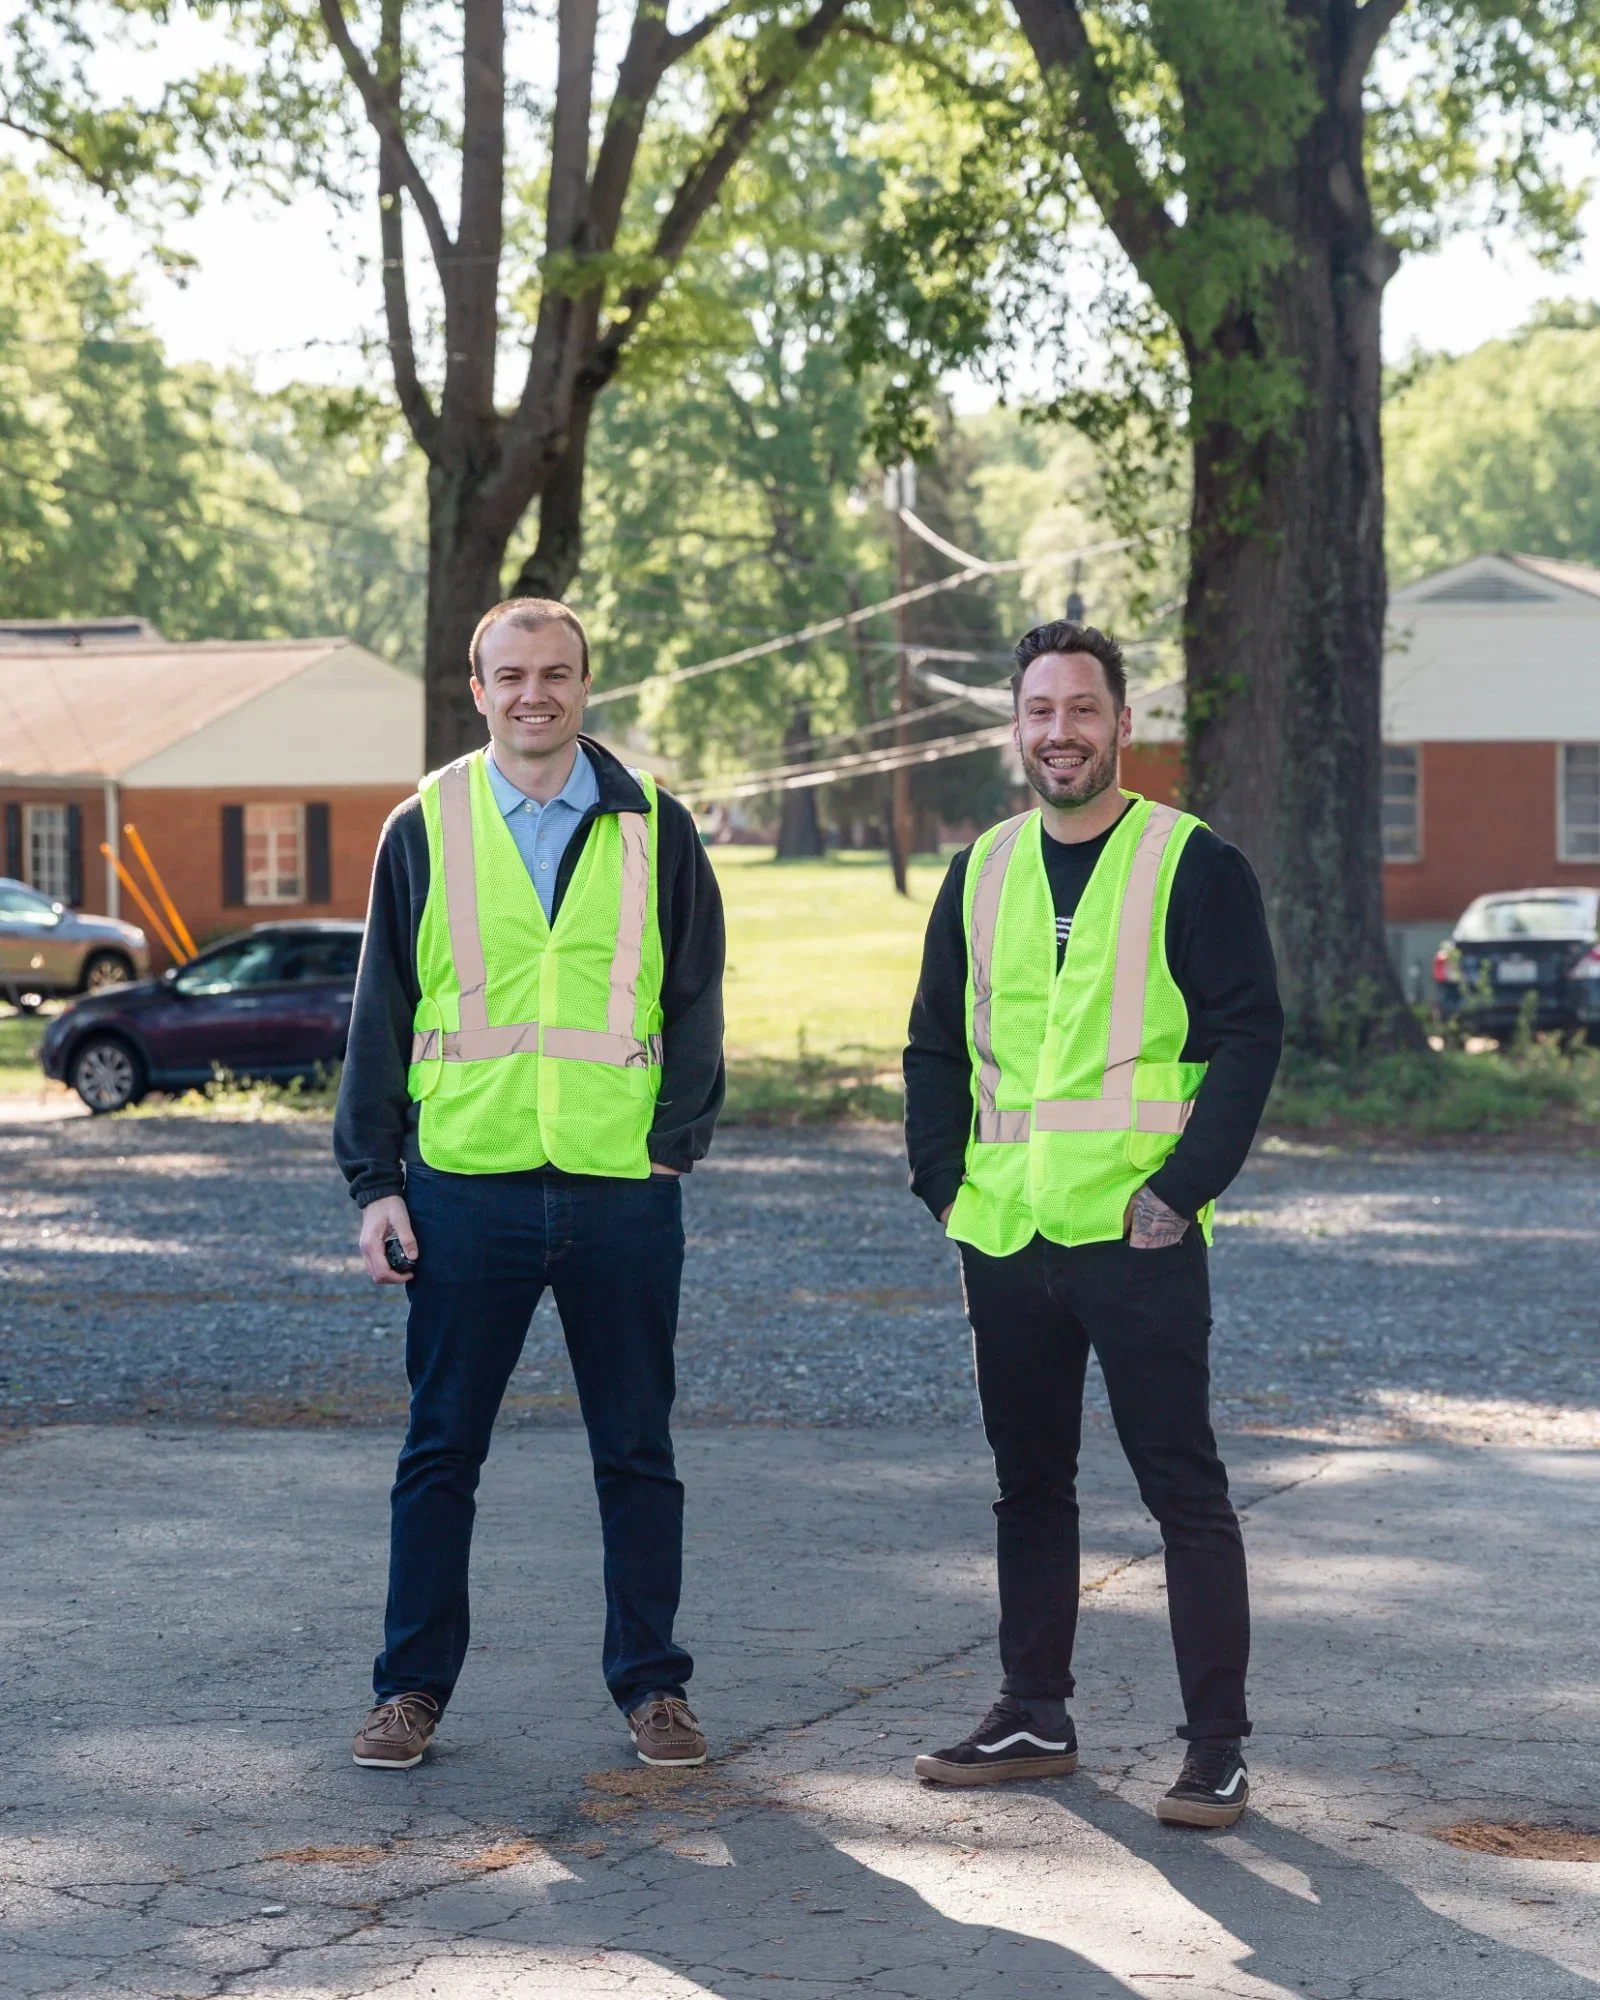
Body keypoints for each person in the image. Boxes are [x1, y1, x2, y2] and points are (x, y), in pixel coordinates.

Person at [334, 597, 725, 1774]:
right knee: (440, 1448)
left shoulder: (658, 824)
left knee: (636, 1450)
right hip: (465, 1187)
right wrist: (376, 1180)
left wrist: (675, 1141)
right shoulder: (424, 825)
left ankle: (653, 1687)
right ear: (478, 687)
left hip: (621, 1192)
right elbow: (380, 1012)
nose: (534, 693)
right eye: (511, 674)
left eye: (555, 673)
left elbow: (697, 995)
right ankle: (409, 1689)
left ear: (585, 684)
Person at [902, 619, 1283, 1828]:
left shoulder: (1192, 862)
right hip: (1006, 1236)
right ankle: (1032, 1709)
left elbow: (1246, 1038)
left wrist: (1183, 1186)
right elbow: (930, 1041)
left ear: (1122, 722)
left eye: (1081, 708)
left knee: (1183, 1487)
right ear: (1014, 725)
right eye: (1038, 709)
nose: (1058, 730)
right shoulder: (982, 868)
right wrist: (942, 1184)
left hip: (1140, 1235)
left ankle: (1214, 1746)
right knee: (1029, 1485)